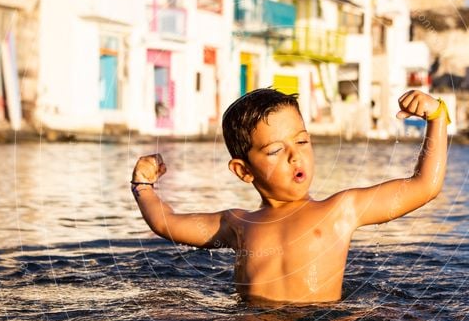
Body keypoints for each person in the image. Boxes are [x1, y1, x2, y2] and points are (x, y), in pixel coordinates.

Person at [131, 88, 449, 303]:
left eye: (302, 142)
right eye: (275, 150)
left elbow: (425, 186)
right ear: (243, 171)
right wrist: (142, 187)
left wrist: (437, 118)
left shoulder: (342, 210)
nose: (294, 156)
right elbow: (166, 223)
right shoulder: (236, 224)